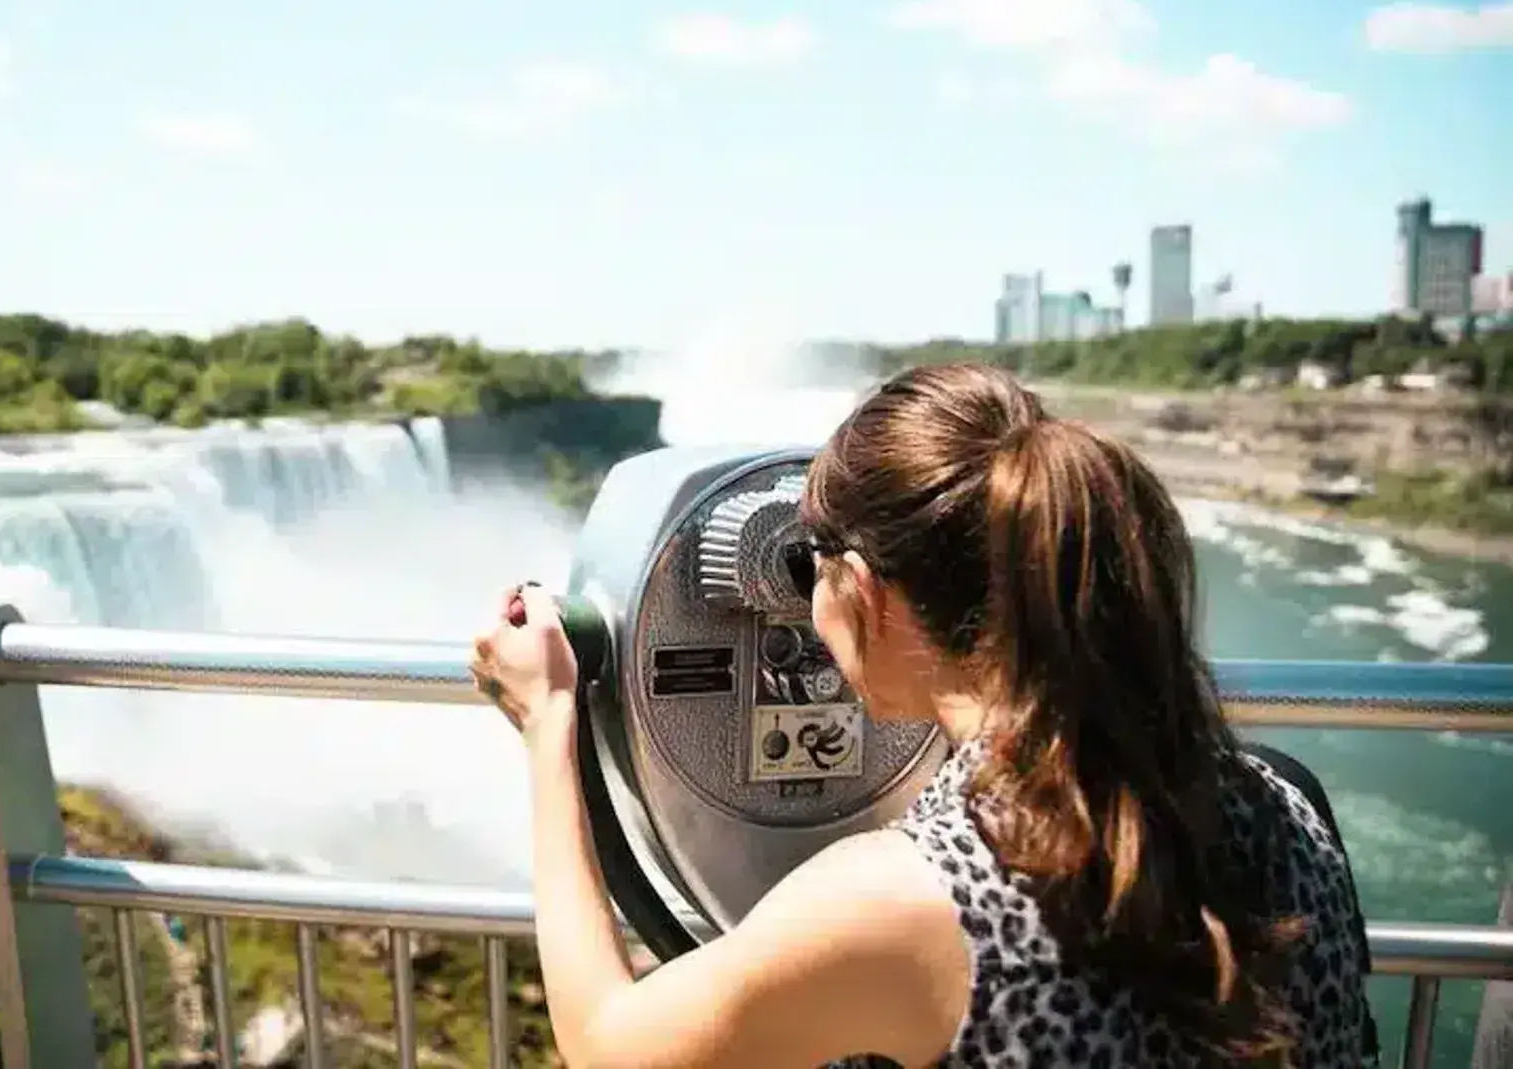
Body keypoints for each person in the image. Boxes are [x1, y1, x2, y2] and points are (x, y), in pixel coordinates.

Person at [469, 363, 1377, 1068]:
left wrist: (551, 720)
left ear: (861, 589)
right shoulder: (1286, 806)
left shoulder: (909, 899)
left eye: (809, 563)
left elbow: (607, 1044)